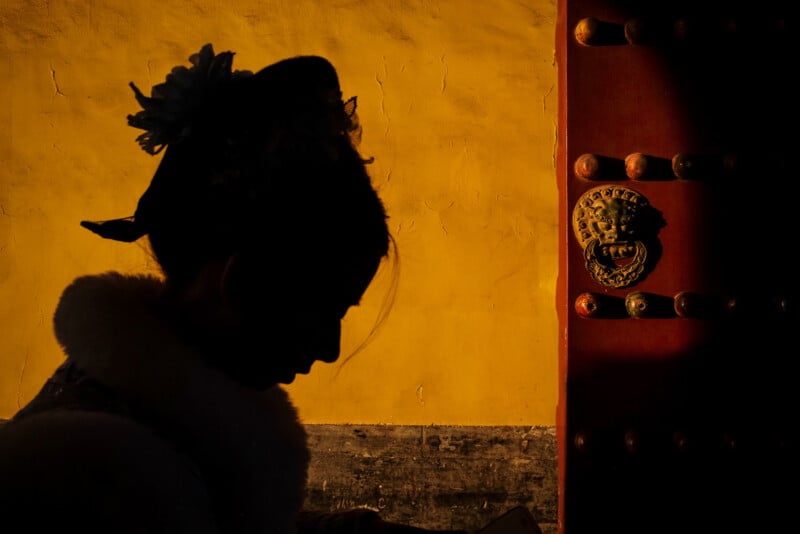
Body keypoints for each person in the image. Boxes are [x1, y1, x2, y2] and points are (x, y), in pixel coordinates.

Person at [0, 44, 466, 534]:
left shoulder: (135, 437)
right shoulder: (86, 479)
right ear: (239, 280)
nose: (330, 349)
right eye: (322, 309)